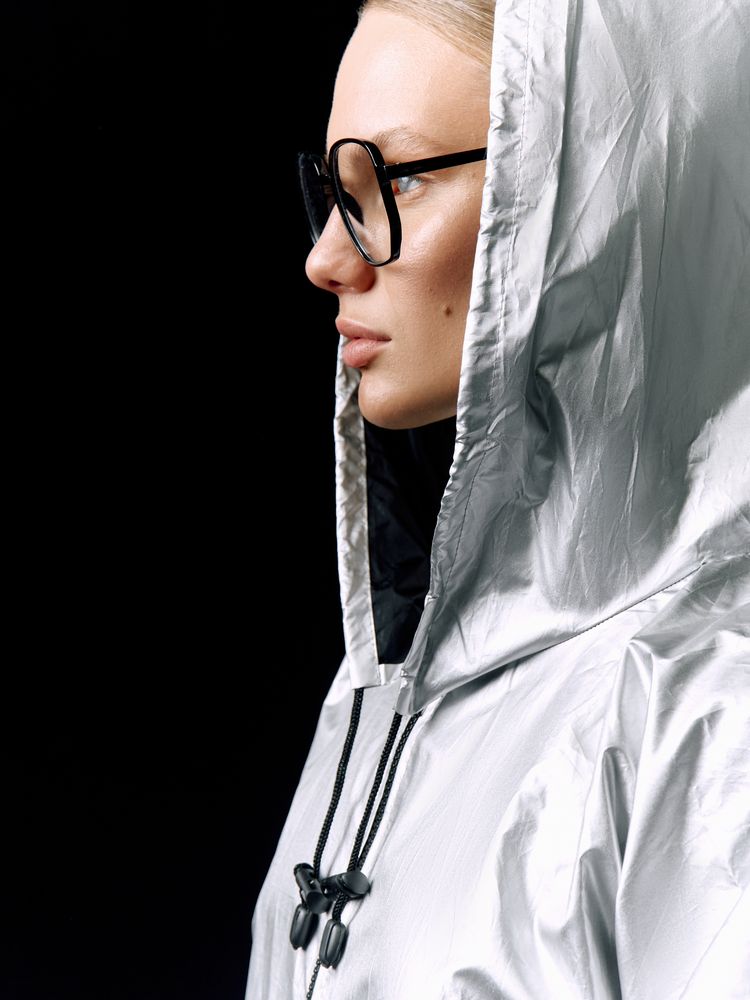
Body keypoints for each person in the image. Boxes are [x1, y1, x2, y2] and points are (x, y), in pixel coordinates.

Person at [248, 0, 750, 996]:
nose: (326, 259)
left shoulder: (712, 722)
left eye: (391, 180)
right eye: (331, 191)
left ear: (596, 202)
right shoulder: (379, 696)